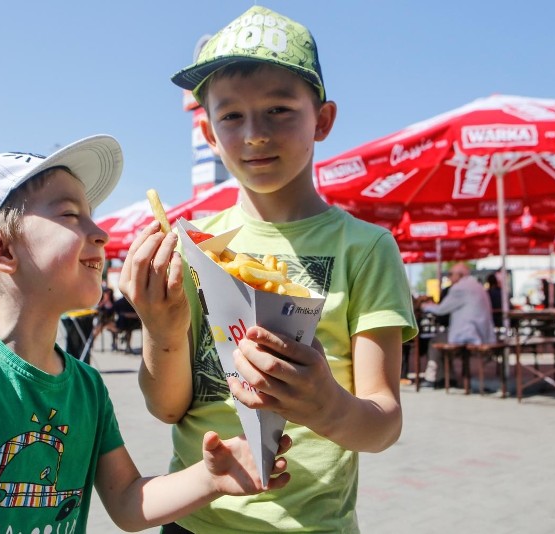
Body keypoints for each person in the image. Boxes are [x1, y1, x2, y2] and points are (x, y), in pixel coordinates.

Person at [0, 135, 290, 533]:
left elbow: (126, 500)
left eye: (93, 216)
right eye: (70, 214)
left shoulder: (86, 387)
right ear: (2, 249)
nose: (99, 233)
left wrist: (210, 476)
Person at [119, 6, 417, 532]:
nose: (254, 133)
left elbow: (383, 423)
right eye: (231, 116)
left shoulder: (365, 248)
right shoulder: (193, 244)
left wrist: (327, 406)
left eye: (279, 109)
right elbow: (168, 409)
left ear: (322, 120)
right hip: (194, 520)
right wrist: (159, 329)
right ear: (210, 133)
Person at [420, 263, 496, 387]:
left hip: (468, 335)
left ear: (460, 275)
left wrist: (425, 306)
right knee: (443, 337)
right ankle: (449, 376)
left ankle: (433, 377)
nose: (449, 277)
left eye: (450, 274)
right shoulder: (477, 286)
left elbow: (441, 310)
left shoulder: (459, 288)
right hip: (483, 334)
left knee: (435, 340)